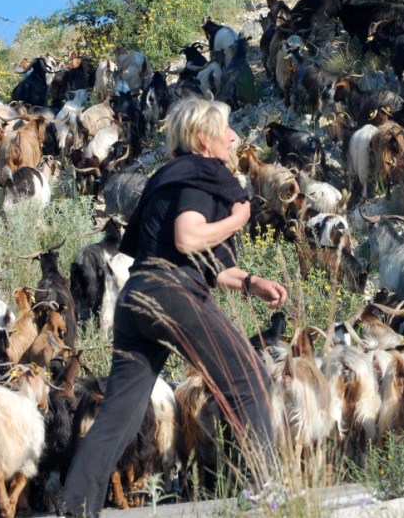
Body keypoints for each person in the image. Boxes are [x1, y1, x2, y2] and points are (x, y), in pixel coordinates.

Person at [60, 98, 288, 516]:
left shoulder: (173, 176)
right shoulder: (204, 172)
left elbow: (210, 265)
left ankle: (74, 506)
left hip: (137, 298)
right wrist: (240, 217)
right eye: (226, 130)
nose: (235, 138)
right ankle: (268, 496)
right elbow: (188, 238)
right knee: (249, 380)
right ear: (204, 139)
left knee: (121, 414)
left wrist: (252, 282)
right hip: (172, 295)